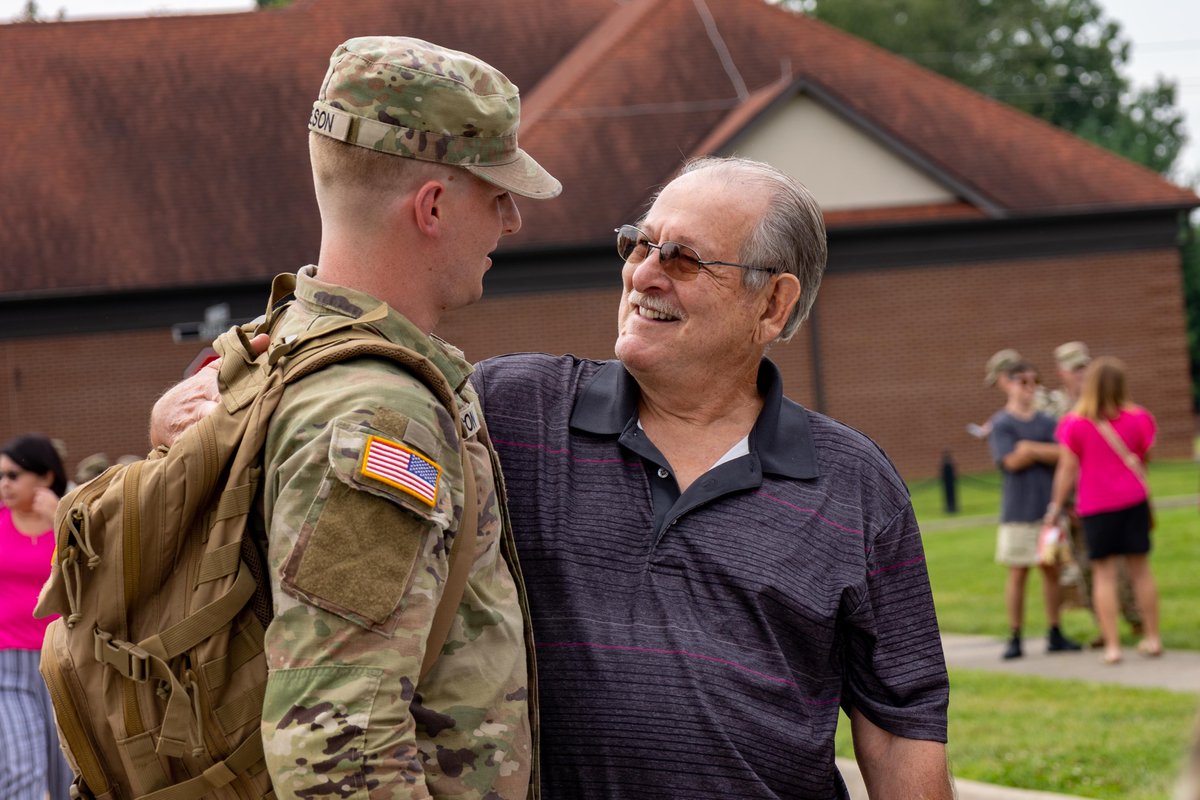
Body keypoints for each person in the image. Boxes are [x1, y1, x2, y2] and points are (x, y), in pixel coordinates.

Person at [154, 157, 951, 796]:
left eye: (683, 257)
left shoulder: (855, 483)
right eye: (639, 244)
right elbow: (301, 386)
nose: (644, 274)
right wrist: (177, 419)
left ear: (773, 306)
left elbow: (900, 721)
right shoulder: (509, 408)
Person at [155, 35, 561, 798]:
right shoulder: (379, 413)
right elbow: (338, 741)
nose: (510, 219)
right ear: (433, 206)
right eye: (495, 192)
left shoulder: (274, 347)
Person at [1045, 356, 1162, 664]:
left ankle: (1112, 646)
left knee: (1104, 575)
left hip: (1096, 505)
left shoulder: (1074, 423)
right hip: (1134, 500)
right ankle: (1152, 638)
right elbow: (1144, 456)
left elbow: (1067, 470)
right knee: (1141, 571)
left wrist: (1054, 507)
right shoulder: (1140, 418)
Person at [987, 359, 1082, 659]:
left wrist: (1029, 448)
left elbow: (1065, 455)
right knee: (1018, 572)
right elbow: (1010, 461)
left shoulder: (1046, 422)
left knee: (1051, 571)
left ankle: (1055, 631)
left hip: (1048, 511)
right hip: (1018, 511)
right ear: (1009, 383)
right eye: (1024, 382)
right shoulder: (1001, 423)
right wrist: (1036, 452)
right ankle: (1015, 634)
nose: (1030, 388)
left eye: (1034, 381)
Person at [0, 433, 72, 800]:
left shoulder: (71, 522)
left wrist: (60, 519)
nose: (5, 484)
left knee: (71, 774)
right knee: (20, 768)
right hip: (6, 665)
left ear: (44, 477)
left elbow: (91, 577)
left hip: (62, 662)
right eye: (1, 476)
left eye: (14, 475)